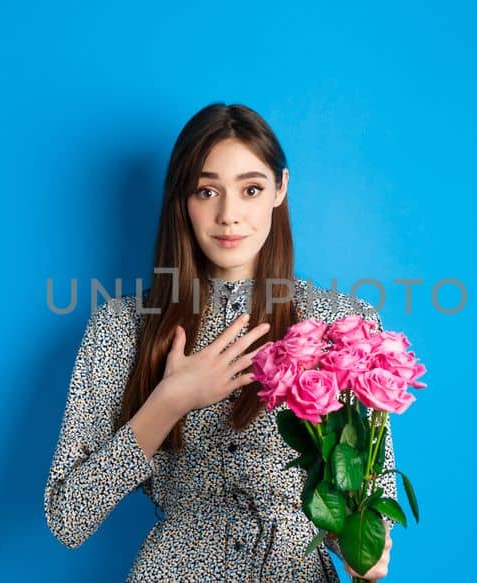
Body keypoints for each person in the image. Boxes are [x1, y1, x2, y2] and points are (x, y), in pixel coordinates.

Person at [43, 102, 399, 582]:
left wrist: (362, 551)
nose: (229, 215)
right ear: (182, 199)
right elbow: (68, 517)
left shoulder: (343, 324)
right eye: (207, 191)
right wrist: (168, 402)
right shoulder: (124, 325)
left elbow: (366, 503)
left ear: (280, 189)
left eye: (250, 189)